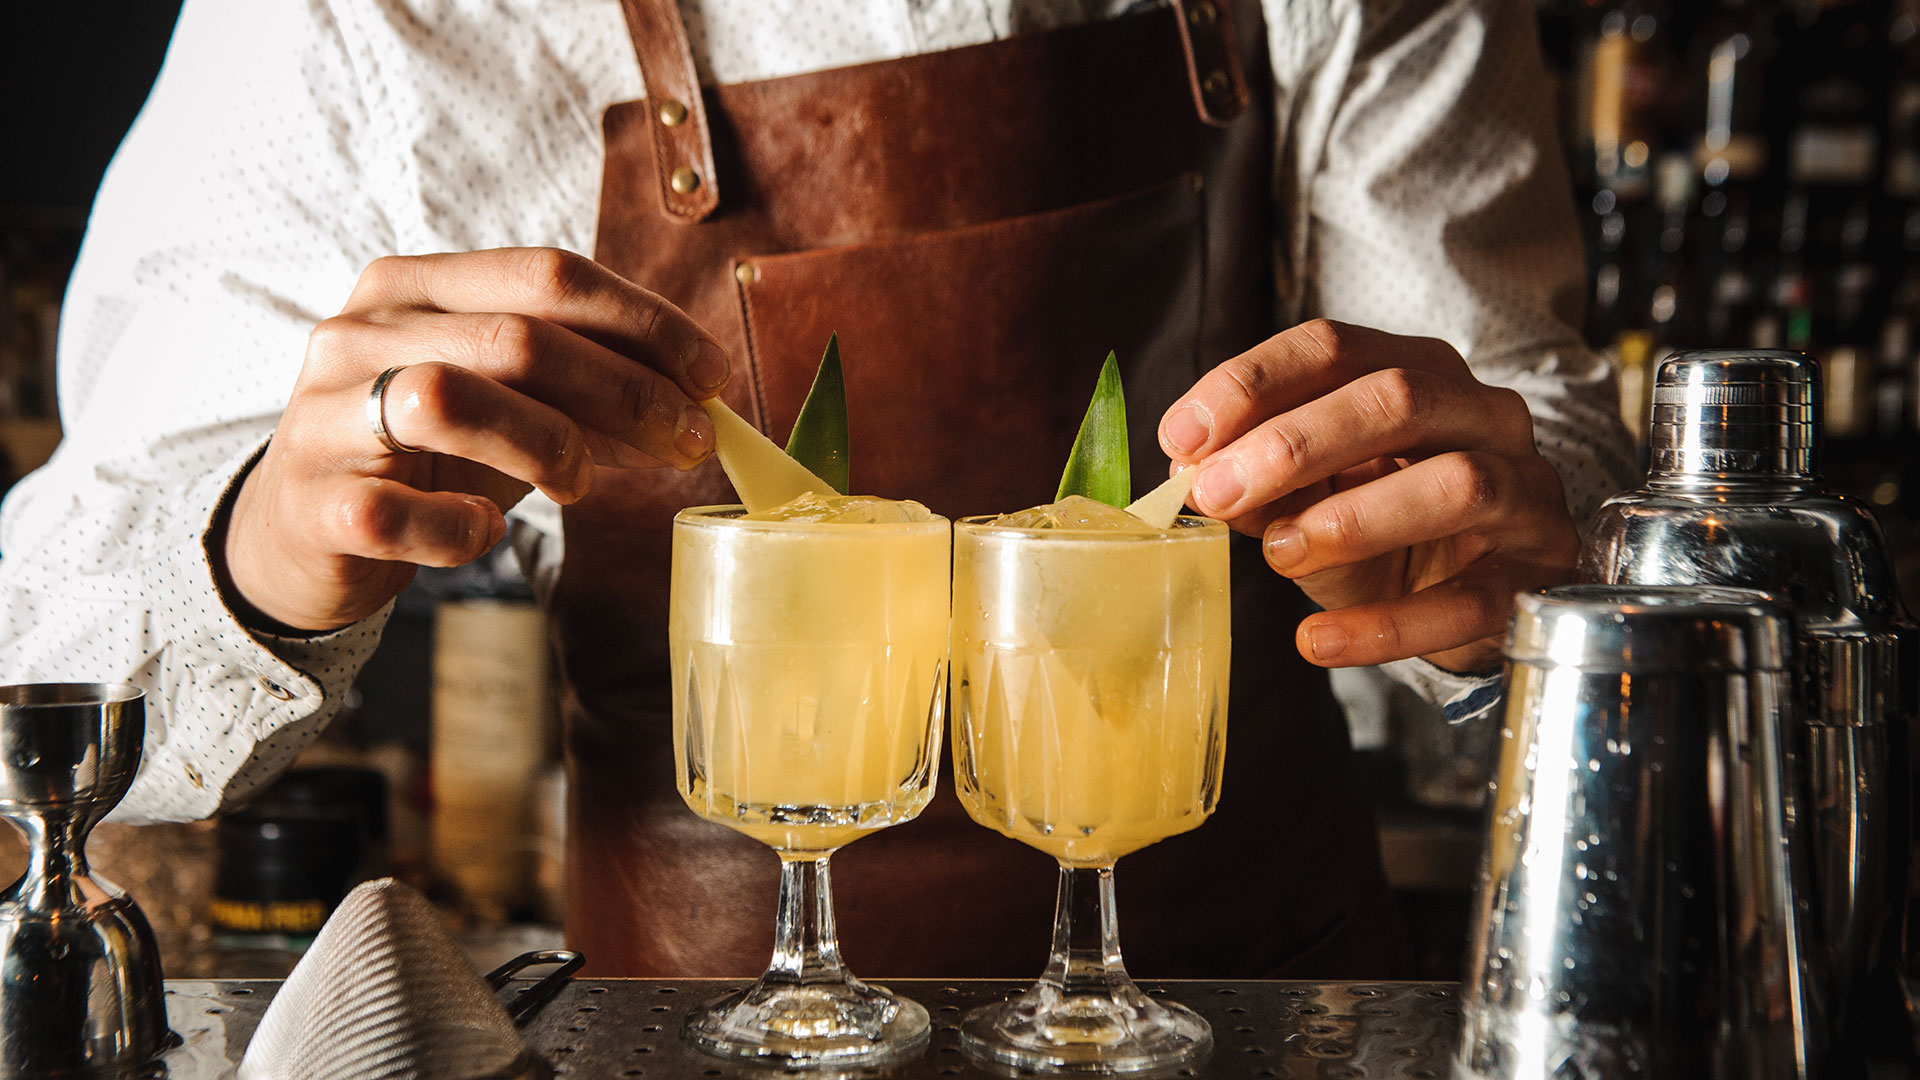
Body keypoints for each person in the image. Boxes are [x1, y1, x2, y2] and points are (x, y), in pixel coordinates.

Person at [0, 0, 1633, 976]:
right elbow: (47, 639)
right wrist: (262, 541)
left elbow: (1539, 462)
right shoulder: (361, 27)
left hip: (1252, 1010)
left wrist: (1510, 558)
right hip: (702, 1032)